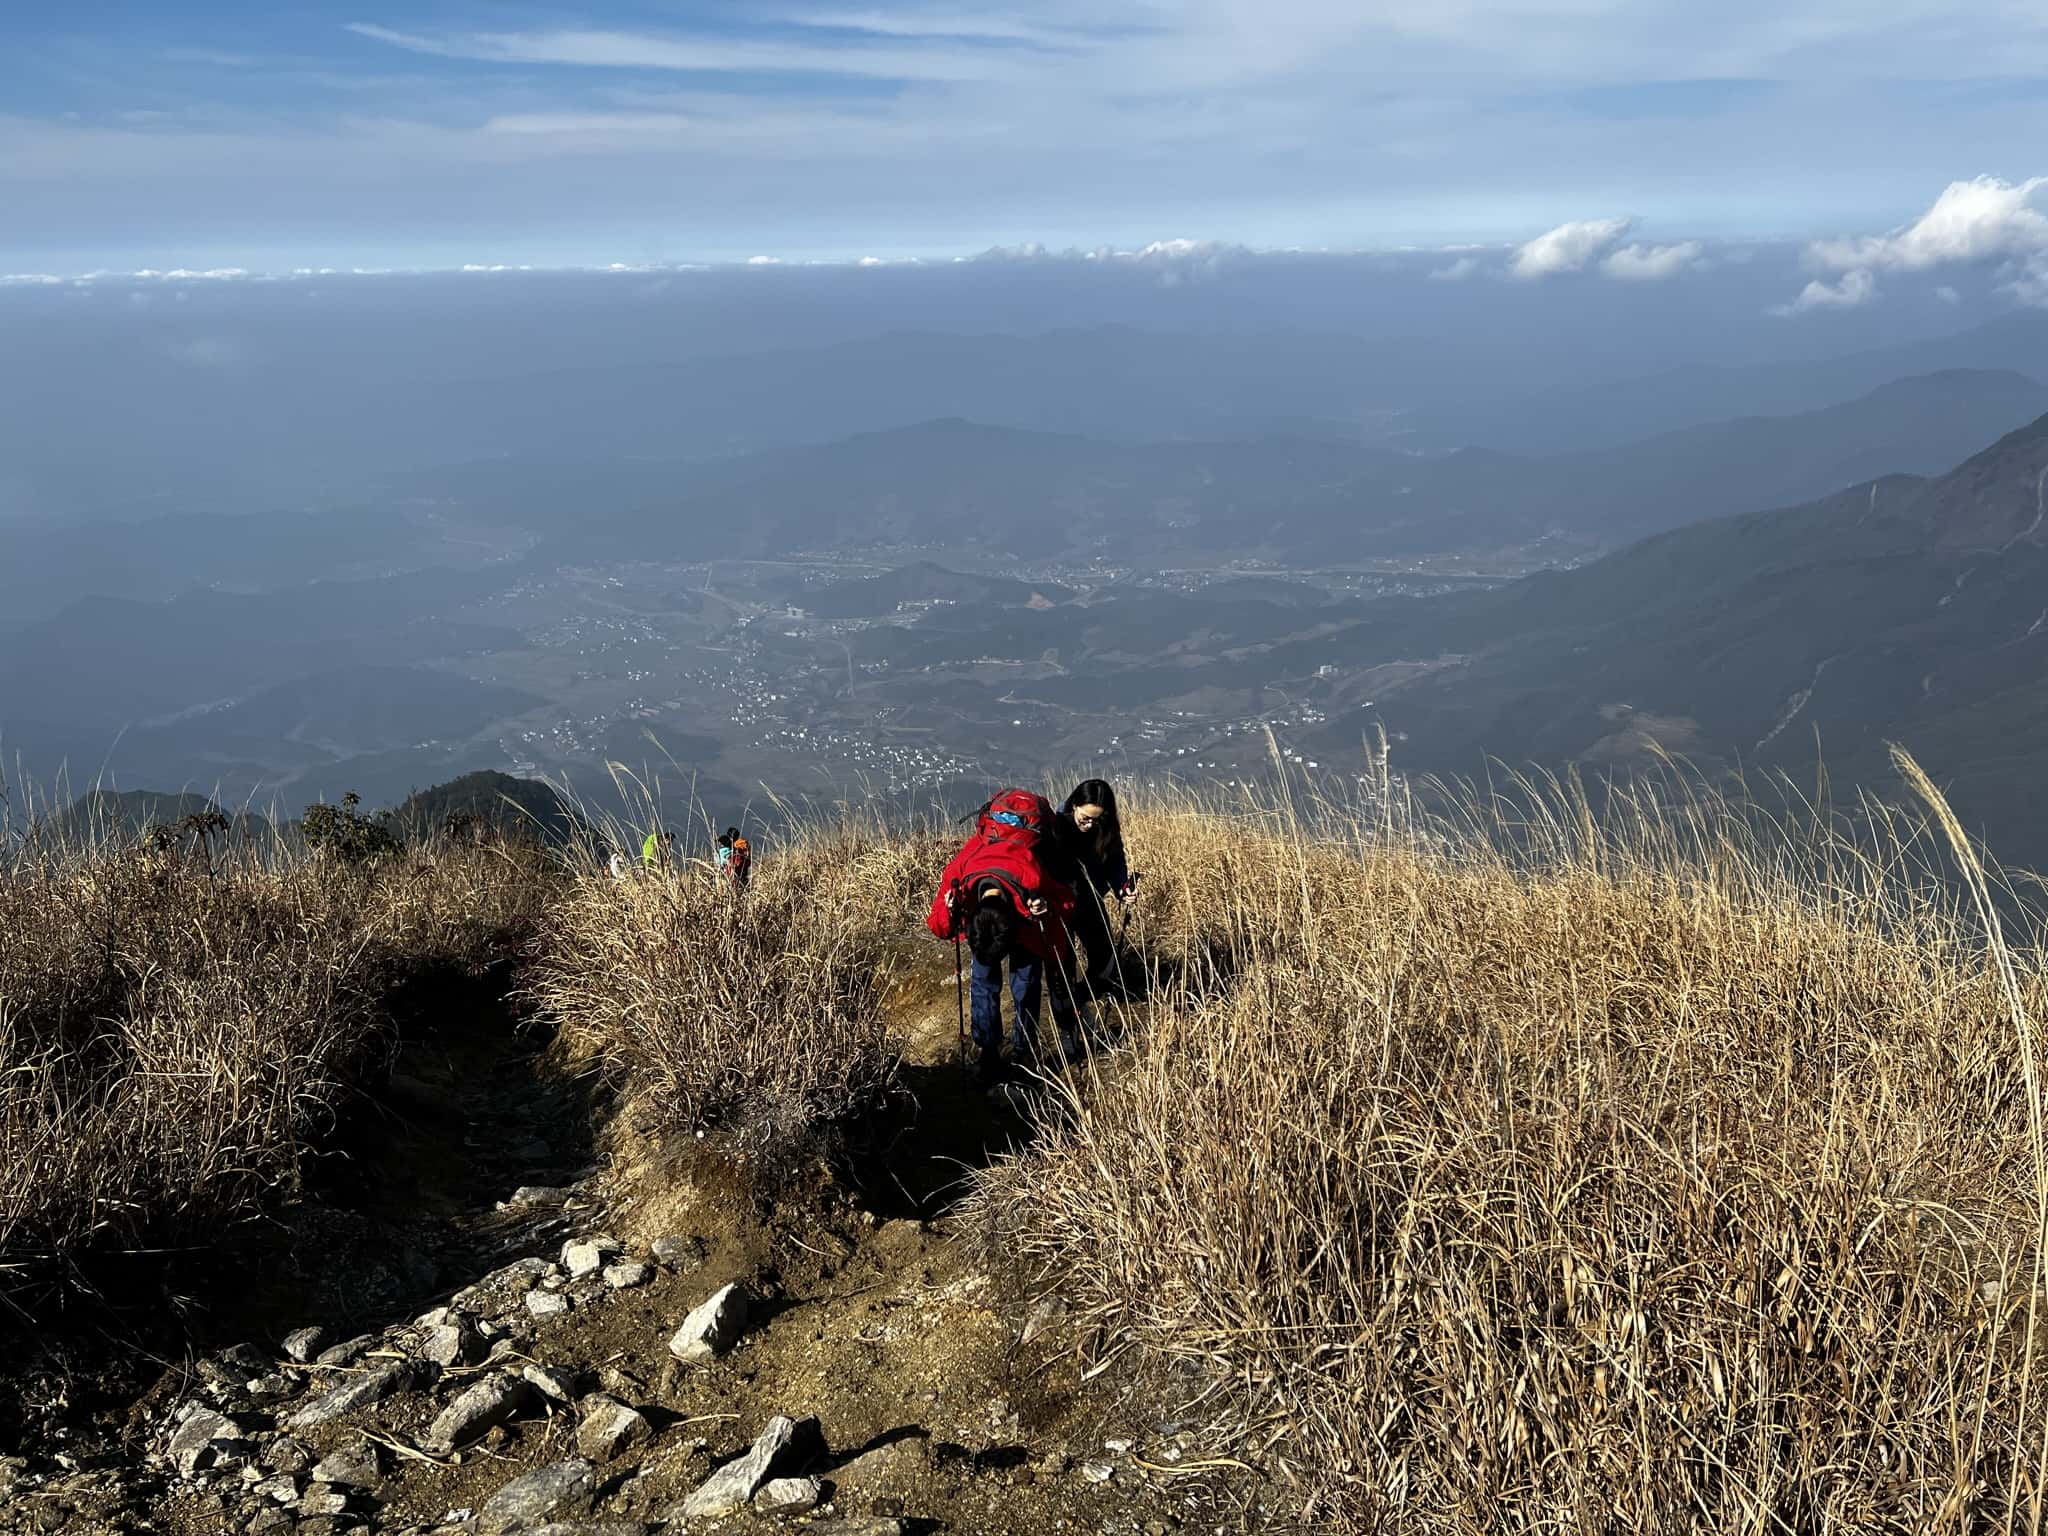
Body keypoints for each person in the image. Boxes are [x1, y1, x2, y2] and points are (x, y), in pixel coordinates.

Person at [926, 789, 1086, 1086]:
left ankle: (1019, 1053)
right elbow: (938, 927)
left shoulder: (1031, 875)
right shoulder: (961, 874)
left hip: (1024, 920)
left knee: (1011, 983)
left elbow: (1068, 903)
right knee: (1020, 985)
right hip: (999, 922)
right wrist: (949, 912)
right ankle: (999, 1053)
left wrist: (1046, 909)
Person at [1044, 778, 1139, 996]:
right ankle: (1065, 1005)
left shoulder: (1105, 827)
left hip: (1090, 899)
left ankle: (1091, 994)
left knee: (1104, 956)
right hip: (1060, 904)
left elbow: (1115, 860)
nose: (1089, 825)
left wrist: (1122, 888)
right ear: (1074, 805)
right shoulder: (1056, 825)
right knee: (1062, 959)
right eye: (1085, 818)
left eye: (1095, 821)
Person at [716, 827, 752, 894]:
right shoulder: (744, 844)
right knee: (744, 889)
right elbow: (748, 859)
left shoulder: (732, 848)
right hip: (744, 871)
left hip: (731, 875)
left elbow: (721, 864)